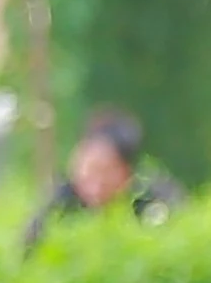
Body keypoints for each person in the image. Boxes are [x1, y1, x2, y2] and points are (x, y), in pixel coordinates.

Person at [16, 107, 180, 252]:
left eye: (106, 172)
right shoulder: (60, 205)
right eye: (90, 169)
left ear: (127, 173)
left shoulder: (151, 199)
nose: (96, 184)